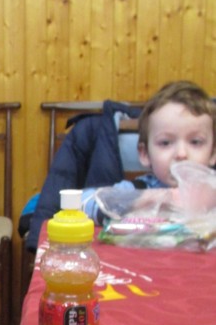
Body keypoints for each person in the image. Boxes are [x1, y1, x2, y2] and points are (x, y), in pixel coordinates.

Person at [81, 80, 216, 222]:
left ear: (213, 153)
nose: (181, 154)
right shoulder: (140, 189)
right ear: (145, 154)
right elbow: (81, 202)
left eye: (195, 142)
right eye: (165, 143)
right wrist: (138, 200)